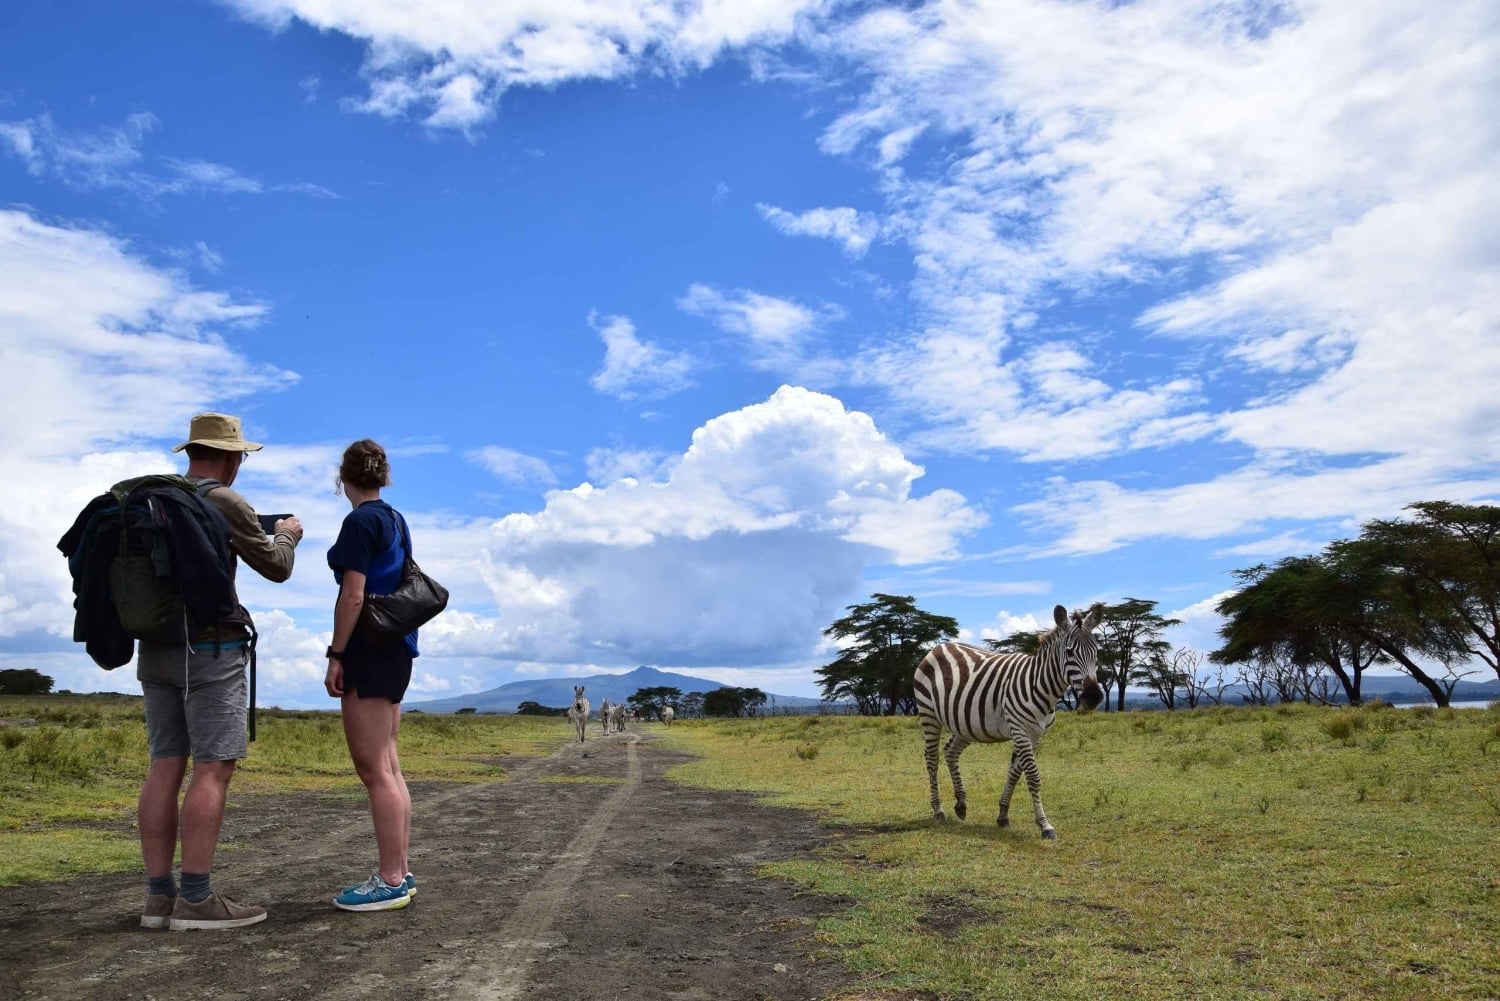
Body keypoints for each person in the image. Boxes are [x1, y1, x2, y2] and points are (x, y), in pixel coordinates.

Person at [138, 412, 303, 931]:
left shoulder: (152, 499)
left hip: (157, 647)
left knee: (165, 765)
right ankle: (197, 899)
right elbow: (276, 568)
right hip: (211, 649)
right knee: (212, 768)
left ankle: (158, 899)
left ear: (190, 453)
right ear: (233, 457)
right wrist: (287, 536)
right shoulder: (225, 500)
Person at [324, 439, 418, 912]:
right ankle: (399, 870)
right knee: (390, 765)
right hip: (397, 650)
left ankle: (389, 879)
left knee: (374, 769)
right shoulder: (395, 519)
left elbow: (353, 596)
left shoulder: (359, 521)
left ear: (342, 479)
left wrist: (336, 653)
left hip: (369, 650)